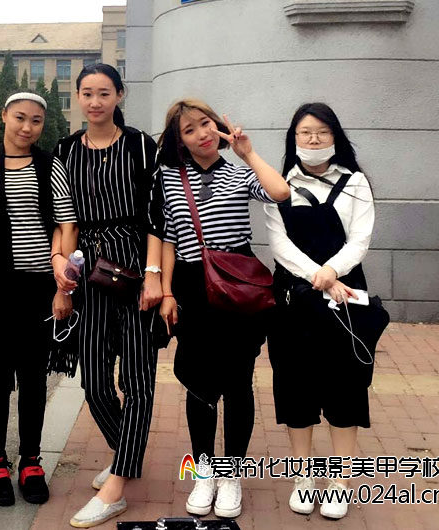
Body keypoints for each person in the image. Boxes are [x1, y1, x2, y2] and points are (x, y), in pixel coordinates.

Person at [156, 99, 289, 518]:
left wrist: (248, 152)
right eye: (190, 130)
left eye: (206, 124)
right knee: (199, 384)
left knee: (237, 384)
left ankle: (231, 476)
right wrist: (166, 292)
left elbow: (280, 192)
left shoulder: (238, 172)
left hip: (238, 288)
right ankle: (204, 472)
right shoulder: (168, 178)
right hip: (193, 288)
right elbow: (168, 239)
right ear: (180, 141)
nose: (202, 134)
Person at [53, 64, 166, 528]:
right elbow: (63, 216)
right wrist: (59, 263)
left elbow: (158, 215)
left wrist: (155, 276)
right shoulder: (65, 150)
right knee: (95, 382)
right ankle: (126, 454)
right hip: (89, 270)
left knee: (137, 380)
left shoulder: (141, 145)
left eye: (104, 92)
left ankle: (117, 485)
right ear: (78, 97)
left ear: (120, 94)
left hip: (136, 265)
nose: (95, 101)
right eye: (87, 93)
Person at [0, 92, 77, 507]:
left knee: (32, 379)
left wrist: (63, 288)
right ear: (4, 116)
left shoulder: (51, 166)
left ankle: (30, 460)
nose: (28, 127)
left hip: (39, 288)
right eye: (21, 118)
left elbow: (66, 225)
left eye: (37, 120)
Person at [264, 102, 375, 520]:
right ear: (293, 139)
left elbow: (360, 239)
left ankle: (341, 482)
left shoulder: (356, 182)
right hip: (293, 298)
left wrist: (332, 272)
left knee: (346, 388)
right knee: (296, 386)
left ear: (335, 137)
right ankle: (304, 478)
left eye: (322, 132)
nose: (313, 140)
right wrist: (319, 275)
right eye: (305, 133)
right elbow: (278, 244)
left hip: (345, 297)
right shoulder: (279, 185)